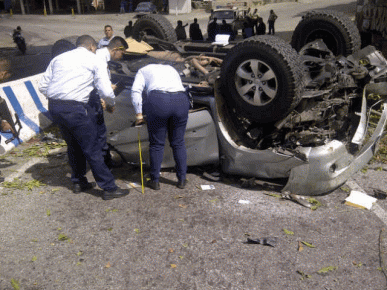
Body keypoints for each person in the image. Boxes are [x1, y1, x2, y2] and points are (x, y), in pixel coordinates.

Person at [38, 35, 130, 200]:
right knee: (92, 148)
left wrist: (59, 96)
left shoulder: (59, 58)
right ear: (92, 47)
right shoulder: (94, 60)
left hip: (55, 107)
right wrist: (110, 103)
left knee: (73, 145)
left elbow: (43, 85)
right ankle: (109, 188)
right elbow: (105, 90)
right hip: (76, 108)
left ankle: (79, 181)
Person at [131, 64, 190, 190]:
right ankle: (182, 180)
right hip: (181, 100)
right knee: (178, 142)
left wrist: (139, 114)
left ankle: (155, 181)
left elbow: (136, 91)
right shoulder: (171, 68)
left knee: (157, 144)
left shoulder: (142, 70)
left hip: (158, 101)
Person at [92, 36, 129, 169]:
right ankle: (104, 165)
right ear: (115, 49)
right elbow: (106, 92)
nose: (121, 57)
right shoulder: (100, 60)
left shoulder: (99, 56)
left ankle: (103, 161)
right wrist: (110, 104)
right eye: (122, 53)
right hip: (90, 101)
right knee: (99, 133)